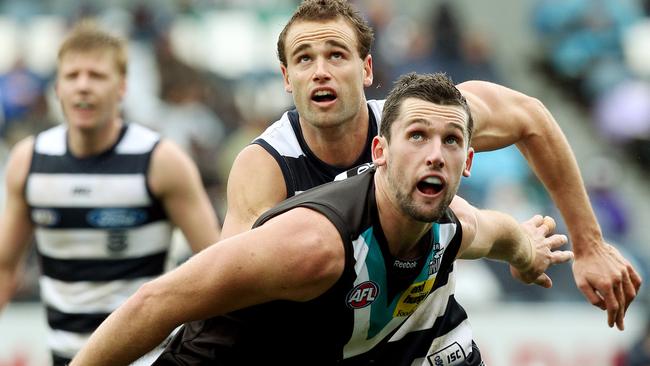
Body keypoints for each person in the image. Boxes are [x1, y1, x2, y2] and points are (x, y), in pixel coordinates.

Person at [72, 72, 573, 365]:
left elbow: (499, 232)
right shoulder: (313, 246)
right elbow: (157, 301)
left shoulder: (449, 221)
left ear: (468, 161)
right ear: (380, 151)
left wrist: (529, 253)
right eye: (416, 136)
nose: (434, 155)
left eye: (450, 141)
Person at [222, 0, 641, 330]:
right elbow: (233, 293)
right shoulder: (265, 165)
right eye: (304, 59)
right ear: (286, 77)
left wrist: (589, 245)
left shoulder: (422, 124)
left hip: (427, 337)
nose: (320, 72)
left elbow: (530, 117)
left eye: (336, 55)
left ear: (366, 69)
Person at [0, 20, 221, 365]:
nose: (83, 86)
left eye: (97, 75)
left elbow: (215, 266)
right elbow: (4, 267)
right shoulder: (29, 161)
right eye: (72, 76)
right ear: (57, 87)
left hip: (147, 359)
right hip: (64, 357)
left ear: (121, 87)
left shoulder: (161, 160)